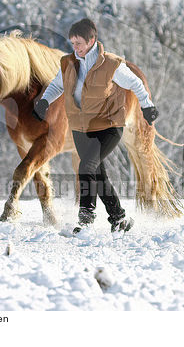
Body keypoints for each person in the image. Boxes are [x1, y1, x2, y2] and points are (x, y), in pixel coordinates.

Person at [32, 18, 159, 234]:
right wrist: (45, 101)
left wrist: (147, 106)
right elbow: (56, 85)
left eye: (79, 43)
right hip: (81, 128)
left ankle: (86, 219)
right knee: (98, 175)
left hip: (108, 126)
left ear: (92, 40)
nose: (75, 48)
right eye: (72, 43)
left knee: (86, 167)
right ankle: (119, 219)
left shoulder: (111, 64)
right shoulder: (68, 63)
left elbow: (135, 83)